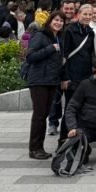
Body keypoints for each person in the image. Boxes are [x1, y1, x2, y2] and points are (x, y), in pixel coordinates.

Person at [25, 10, 65, 159]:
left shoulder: (58, 37)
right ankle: (34, 148)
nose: (58, 23)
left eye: (61, 21)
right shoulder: (40, 36)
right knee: (39, 115)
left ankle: (39, 147)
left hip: (51, 81)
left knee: (44, 114)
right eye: (56, 20)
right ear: (50, 21)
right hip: (39, 80)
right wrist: (50, 49)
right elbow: (30, 56)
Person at [58, 3, 96, 140]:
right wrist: (65, 77)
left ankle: (78, 138)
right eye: (85, 14)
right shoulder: (69, 30)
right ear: (78, 14)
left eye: (90, 14)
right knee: (70, 109)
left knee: (83, 108)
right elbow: (64, 55)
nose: (87, 17)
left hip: (85, 76)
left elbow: (91, 54)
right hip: (72, 76)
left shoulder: (90, 32)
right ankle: (63, 139)